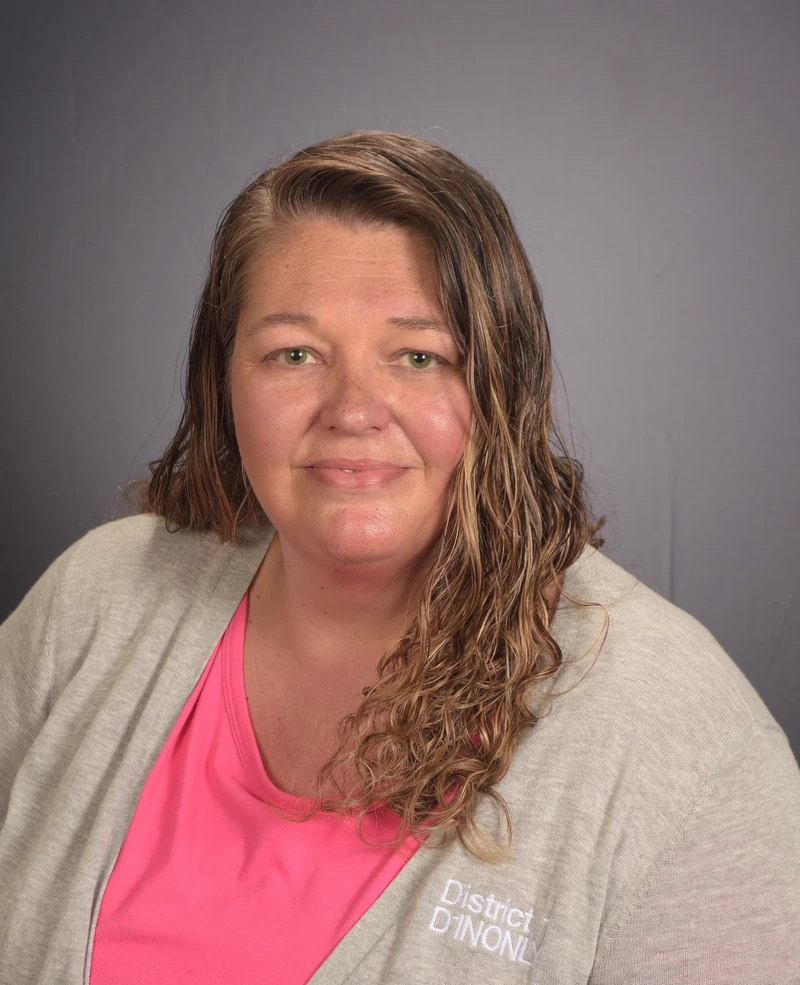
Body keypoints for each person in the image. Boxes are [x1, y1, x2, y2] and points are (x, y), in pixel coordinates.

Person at [1, 130, 798, 985]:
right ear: (220, 381)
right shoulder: (97, 599)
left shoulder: (678, 736)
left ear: (502, 386)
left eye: (418, 357)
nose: (354, 409)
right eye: (294, 354)